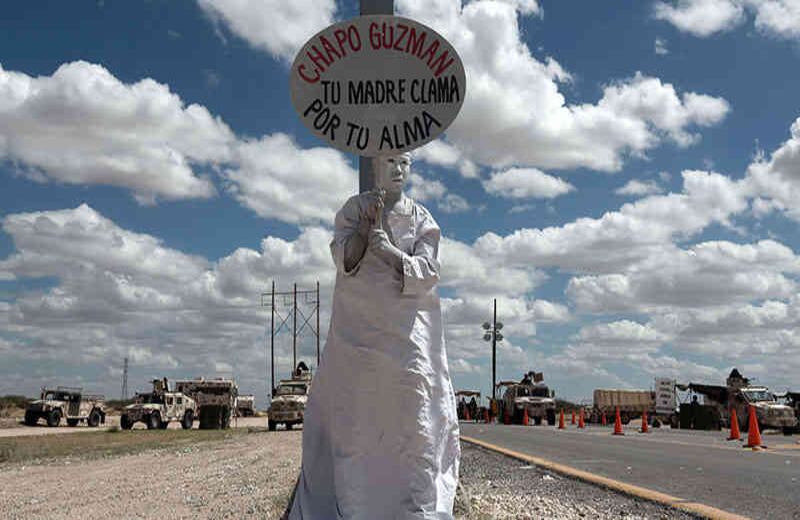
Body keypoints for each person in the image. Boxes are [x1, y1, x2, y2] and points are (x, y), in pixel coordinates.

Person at [287, 152, 460, 520]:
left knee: (411, 416)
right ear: (375, 165)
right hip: (359, 332)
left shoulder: (422, 218)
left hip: (406, 335)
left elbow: (429, 272)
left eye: (405, 162)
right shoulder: (354, 209)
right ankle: (355, 506)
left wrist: (392, 253)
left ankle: (412, 507)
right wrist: (366, 231)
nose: (398, 169)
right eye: (391, 161)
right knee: (357, 415)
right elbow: (345, 261)